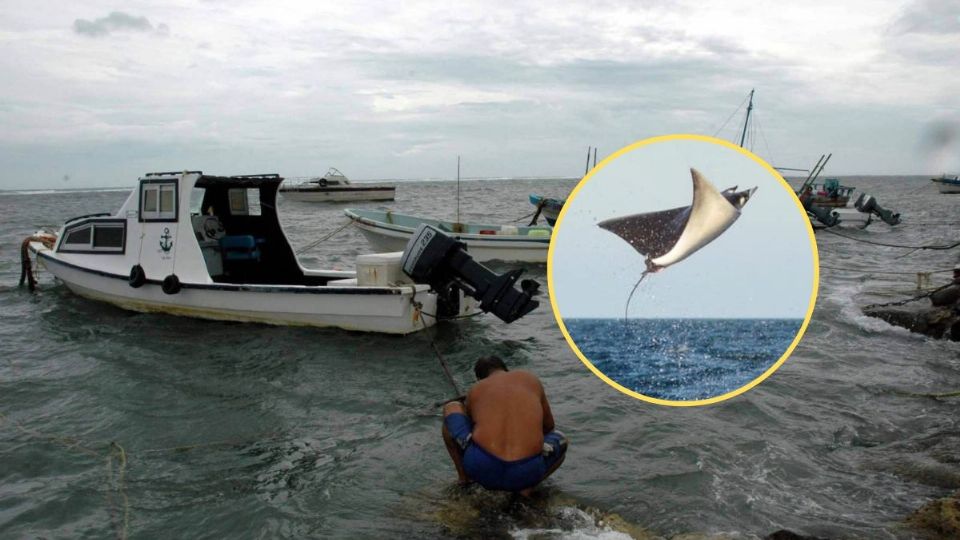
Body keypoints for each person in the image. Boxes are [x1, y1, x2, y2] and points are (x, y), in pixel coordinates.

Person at [441, 356, 567, 495]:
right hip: (526, 473)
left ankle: (464, 479)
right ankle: (526, 489)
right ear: (505, 369)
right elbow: (549, 427)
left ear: (480, 378)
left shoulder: (476, 389)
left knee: (451, 408)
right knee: (561, 439)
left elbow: (471, 425)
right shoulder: (531, 379)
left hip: (482, 468)